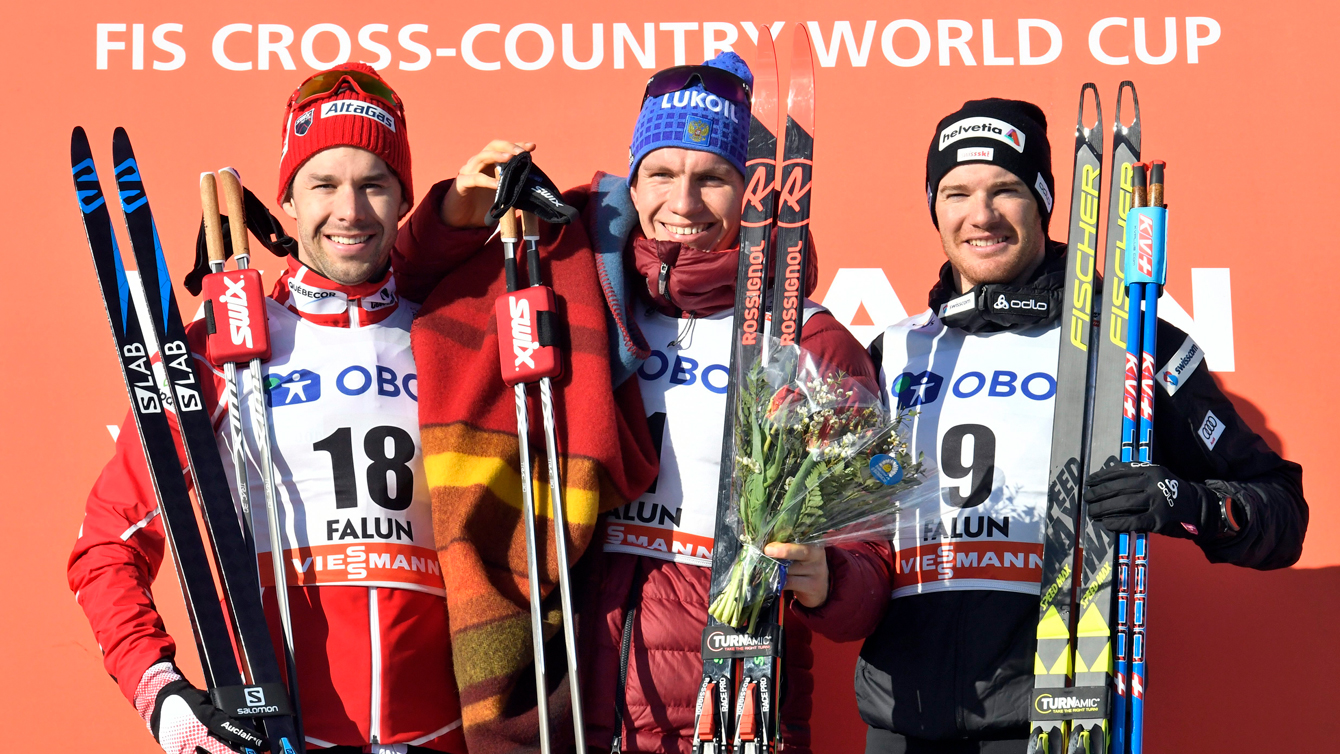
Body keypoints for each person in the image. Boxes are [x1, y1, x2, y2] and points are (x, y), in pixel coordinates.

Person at [785, 98, 1309, 753]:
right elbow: (856, 547)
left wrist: (1184, 502)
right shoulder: (894, 351)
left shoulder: (1131, 344)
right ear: (934, 207)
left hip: (1056, 713)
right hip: (901, 721)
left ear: (1045, 201)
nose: (981, 215)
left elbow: (1281, 512)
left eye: (1006, 189)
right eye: (957, 193)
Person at [393, 52, 874, 754]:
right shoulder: (580, 287)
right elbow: (410, 288)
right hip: (576, 703)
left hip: (732, 704)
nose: (682, 204)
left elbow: (867, 571)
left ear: (754, 192)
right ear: (633, 177)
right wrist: (455, 215)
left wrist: (827, 579)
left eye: (713, 178)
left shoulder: (810, 340)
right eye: (661, 174)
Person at [67, 63, 466, 754]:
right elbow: (107, 542)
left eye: (374, 184)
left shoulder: (451, 335)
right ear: (286, 199)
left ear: (403, 200)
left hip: (444, 737)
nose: (349, 210)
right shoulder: (220, 346)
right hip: (282, 732)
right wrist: (160, 692)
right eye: (323, 185)